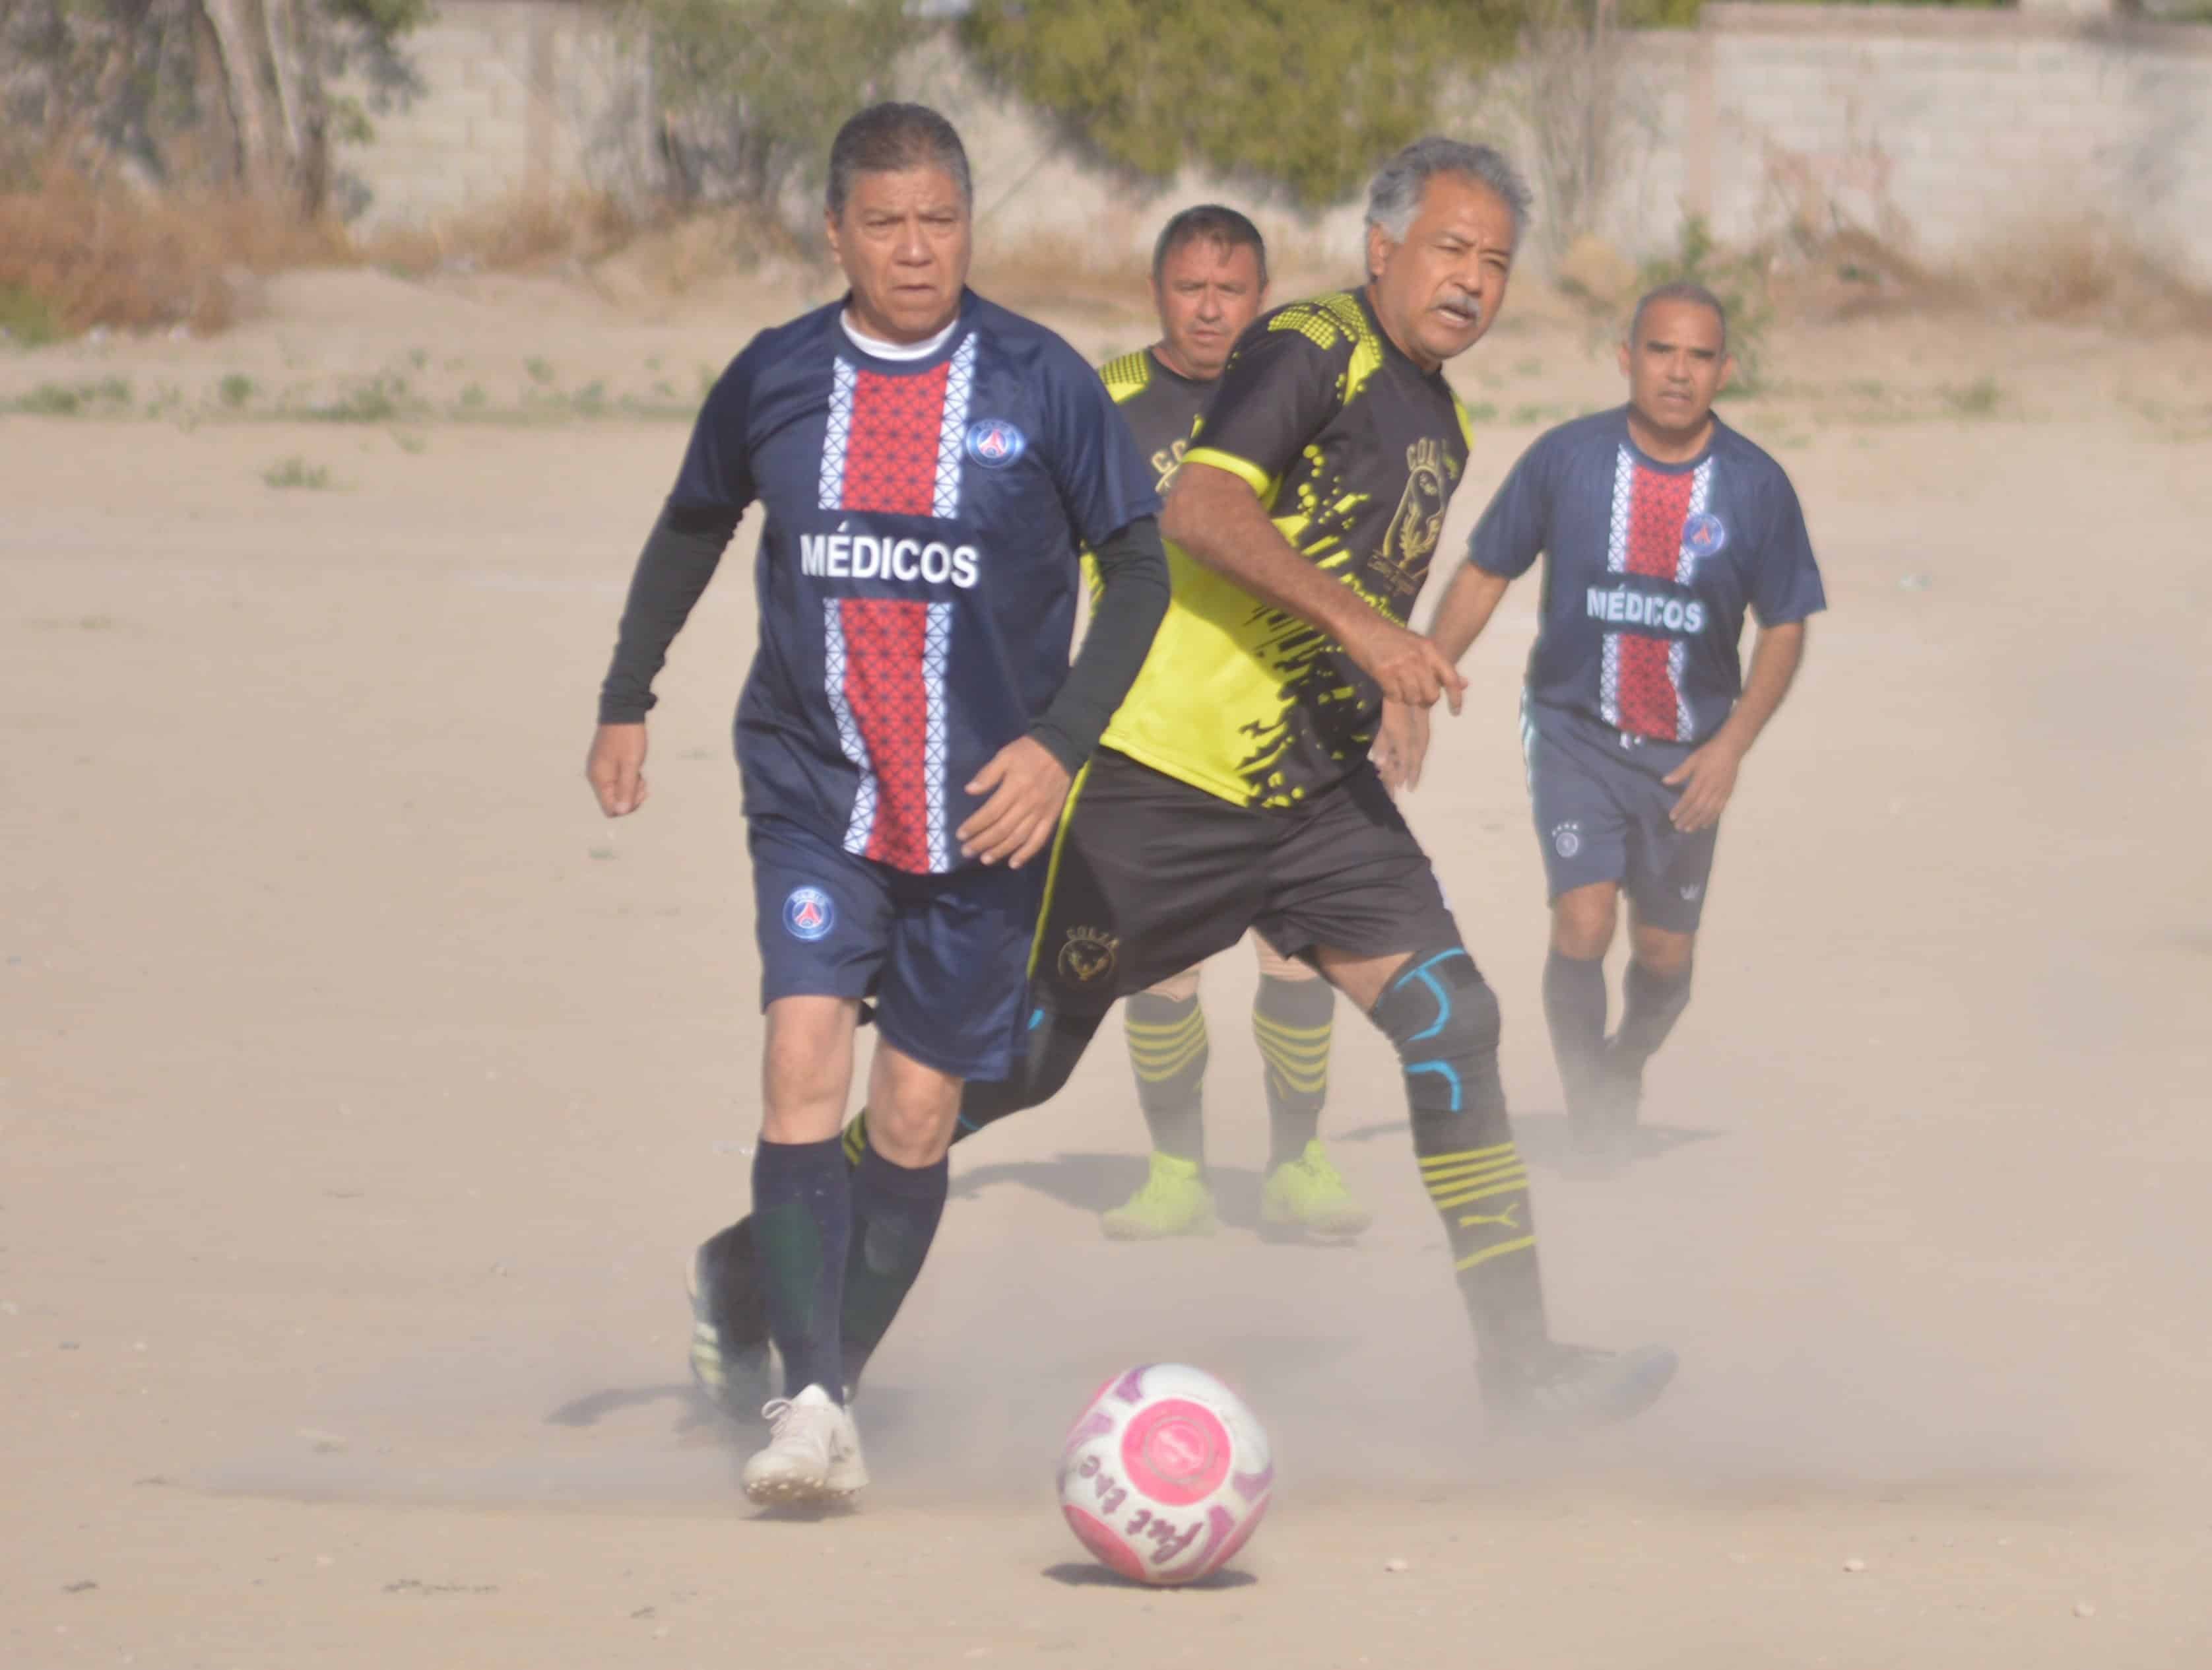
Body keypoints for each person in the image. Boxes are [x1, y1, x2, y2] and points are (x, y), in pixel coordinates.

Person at [856, 137, 1677, 1429]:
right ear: (1381, 250)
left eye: (1495, 264)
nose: (1470, 280)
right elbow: (1202, 510)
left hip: (1312, 809)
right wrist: (1365, 631)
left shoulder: (1440, 417)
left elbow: (1360, 590)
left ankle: (1522, 1369)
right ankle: (765, 1275)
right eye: (1448, 250)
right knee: (1006, 1070)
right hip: (1159, 787)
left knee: (1452, 1023)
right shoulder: (1310, 346)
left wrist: (1377, 691)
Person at [585, 102, 1168, 1506]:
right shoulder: (776, 376)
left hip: (980, 812)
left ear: (969, 225)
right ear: (836, 232)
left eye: (942, 221)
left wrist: (1057, 746)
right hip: (812, 784)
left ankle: (823, 1372)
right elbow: (691, 523)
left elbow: (1137, 570)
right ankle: (814, 1401)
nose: (917, 250)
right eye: (887, 224)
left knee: (912, 1118)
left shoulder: (1041, 383)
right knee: (799, 1060)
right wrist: (626, 692)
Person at [1390, 281, 1825, 1168]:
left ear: (1724, 371)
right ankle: (1590, 1107)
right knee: (1582, 924)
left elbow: (1784, 623)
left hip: (1686, 758)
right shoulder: (1566, 460)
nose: (1677, 371)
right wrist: (1418, 676)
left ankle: (1625, 1062)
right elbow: (1486, 569)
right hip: (1573, 733)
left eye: (1699, 356)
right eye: (1660, 350)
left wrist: (1730, 747)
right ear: (1626, 359)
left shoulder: (1755, 487)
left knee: (1663, 960)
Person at [1092, 203, 1369, 1243]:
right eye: (1190, 287)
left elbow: (1349, 556)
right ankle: (1176, 1172)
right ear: (1158, 290)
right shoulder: (1103, 402)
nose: (1210, 309)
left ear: (1262, 297)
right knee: (1161, 965)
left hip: (1289, 724)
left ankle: (1298, 1161)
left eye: (1232, 289)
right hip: (1152, 732)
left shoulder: (1305, 397)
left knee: (1297, 952)